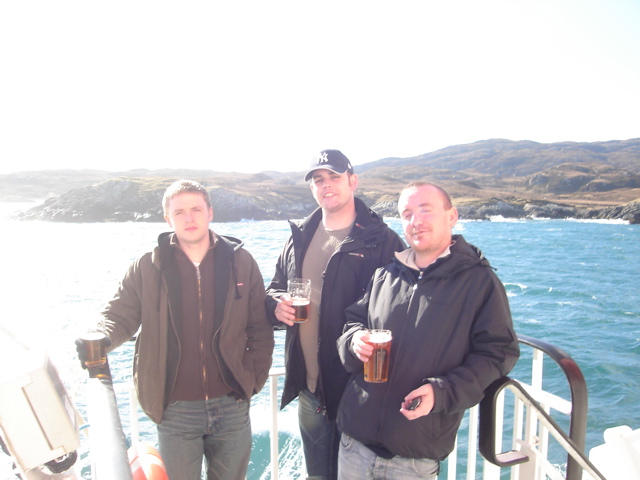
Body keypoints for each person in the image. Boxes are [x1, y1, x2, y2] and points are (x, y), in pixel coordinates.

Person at [76, 179, 274, 480]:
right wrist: (100, 337)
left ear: (210, 212)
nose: (189, 217)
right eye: (179, 211)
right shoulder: (148, 265)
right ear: (167, 218)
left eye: (196, 209)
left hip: (232, 403)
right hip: (175, 408)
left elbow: (258, 325)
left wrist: (251, 381)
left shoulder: (241, 261)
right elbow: (118, 315)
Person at [336, 182, 520, 480]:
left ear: (452, 216)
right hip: (354, 442)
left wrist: (442, 391)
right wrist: (355, 340)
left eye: (425, 210)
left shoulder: (479, 282)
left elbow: (498, 352)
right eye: (407, 213)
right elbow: (352, 322)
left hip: (415, 456)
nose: (415, 221)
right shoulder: (385, 275)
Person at [265, 149, 405, 480]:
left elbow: (405, 306)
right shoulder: (299, 235)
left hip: (358, 393)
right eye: (318, 179)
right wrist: (275, 307)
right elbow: (274, 288)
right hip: (310, 392)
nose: (325, 185)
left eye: (334, 177)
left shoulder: (382, 241)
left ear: (352, 181)